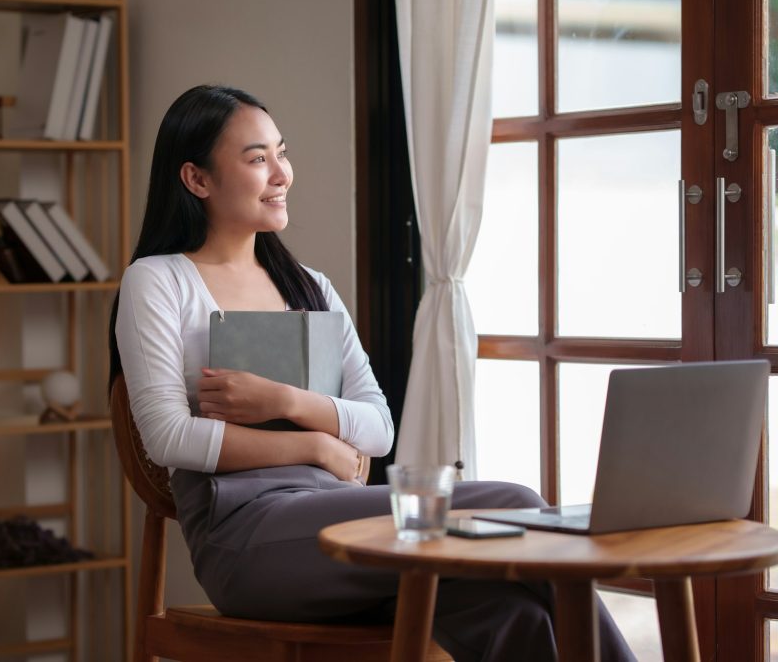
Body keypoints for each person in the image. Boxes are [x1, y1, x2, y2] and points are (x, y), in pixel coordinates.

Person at [110, 84, 636, 662]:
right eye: (258, 159)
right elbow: (167, 437)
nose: (282, 173)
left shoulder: (310, 287)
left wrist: (286, 401)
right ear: (197, 180)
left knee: (511, 613)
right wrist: (316, 447)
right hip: (246, 542)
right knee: (515, 499)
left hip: (340, 526)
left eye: (281, 153)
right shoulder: (158, 280)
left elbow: (378, 428)